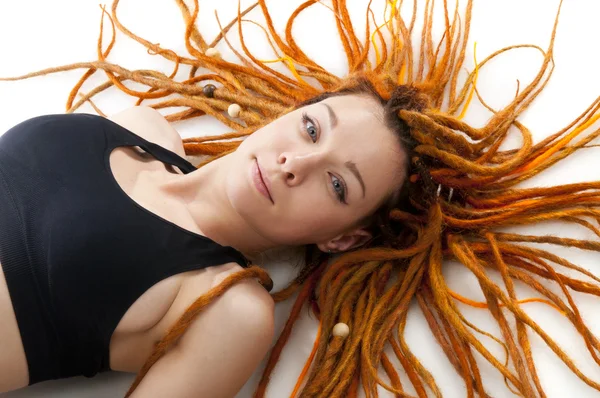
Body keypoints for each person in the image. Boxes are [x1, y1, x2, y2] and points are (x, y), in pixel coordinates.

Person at [1, 0, 599, 397]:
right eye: (314, 128)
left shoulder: (228, 310)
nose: (297, 163)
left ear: (343, 237)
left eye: (338, 185)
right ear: (294, 112)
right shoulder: (143, 126)